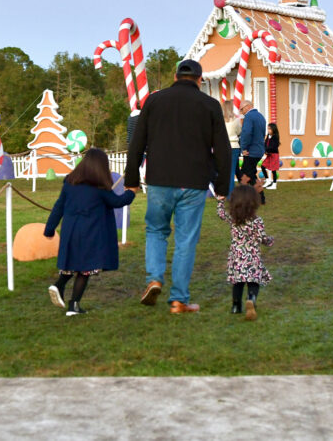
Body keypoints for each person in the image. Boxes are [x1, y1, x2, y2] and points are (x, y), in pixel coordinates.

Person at [125, 59, 231, 314]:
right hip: (194, 183)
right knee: (185, 240)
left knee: (156, 231)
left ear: (175, 76)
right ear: (199, 79)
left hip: (159, 179)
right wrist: (222, 186)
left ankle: (154, 279)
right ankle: (179, 300)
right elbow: (223, 150)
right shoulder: (210, 105)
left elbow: (137, 142)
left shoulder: (154, 101)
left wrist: (131, 180)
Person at [43, 148, 135, 316]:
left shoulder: (69, 183)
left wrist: (49, 229)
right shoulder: (100, 188)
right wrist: (131, 192)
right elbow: (118, 201)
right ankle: (74, 305)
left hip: (70, 231)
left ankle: (59, 285)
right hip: (89, 234)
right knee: (85, 270)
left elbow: (59, 207)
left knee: (71, 264)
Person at [217, 183, 273, 321]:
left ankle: (236, 306)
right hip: (252, 257)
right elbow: (262, 238)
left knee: (238, 282)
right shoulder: (256, 221)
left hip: (236, 256)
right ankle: (251, 298)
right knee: (254, 280)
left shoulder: (233, 219)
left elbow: (221, 214)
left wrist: (220, 201)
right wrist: (269, 241)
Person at [237, 100, 266, 203]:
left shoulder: (249, 117)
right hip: (259, 150)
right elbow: (262, 133)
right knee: (249, 173)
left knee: (246, 174)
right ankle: (257, 197)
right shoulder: (261, 116)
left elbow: (246, 133)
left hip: (250, 151)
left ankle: (243, 197)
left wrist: (244, 148)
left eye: (242, 109)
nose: (241, 112)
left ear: (248, 107)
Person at [223, 101, 242, 187]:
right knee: (231, 172)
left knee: (226, 171)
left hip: (224, 146)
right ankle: (231, 194)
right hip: (234, 146)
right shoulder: (236, 120)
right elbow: (239, 131)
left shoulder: (220, 119)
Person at [262, 123, 281, 188]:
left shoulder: (275, 137)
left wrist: (267, 150)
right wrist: (265, 150)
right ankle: (268, 180)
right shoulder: (268, 136)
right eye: (268, 129)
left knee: (273, 170)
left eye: (270, 129)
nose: (268, 130)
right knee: (263, 166)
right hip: (269, 155)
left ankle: (274, 184)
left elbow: (273, 147)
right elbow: (265, 143)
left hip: (274, 155)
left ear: (273, 129)